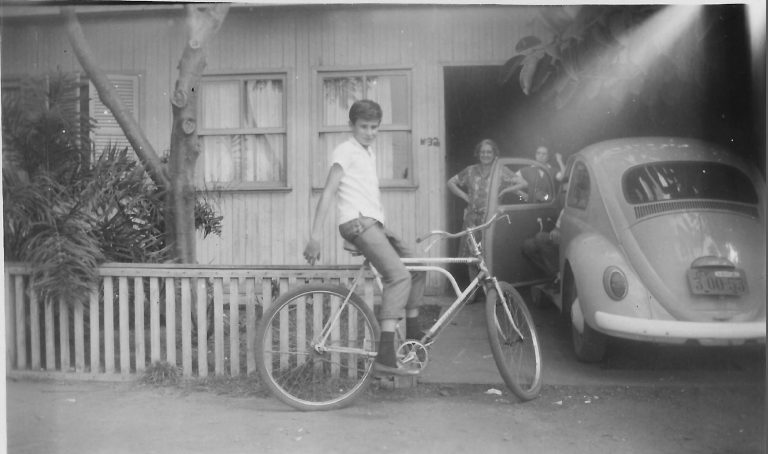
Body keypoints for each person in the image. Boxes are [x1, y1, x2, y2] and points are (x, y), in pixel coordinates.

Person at [303, 99, 425, 377]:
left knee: (417, 267)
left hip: (372, 224)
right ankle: (385, 355)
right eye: (363, 127)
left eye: (374, 127)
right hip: (358, 224)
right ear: (352, 126)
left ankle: (415, 341)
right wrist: (315, 236)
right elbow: (329, 191)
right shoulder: (346, 150)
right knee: (399, 276)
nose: (369, 132)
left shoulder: (367, 152)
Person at [447, 139, 525, 298]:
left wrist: (505, 191)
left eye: (489, 152)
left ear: (494, 154)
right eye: (483, 152)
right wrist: (465, 196)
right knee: (472, 255)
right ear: (478, 153)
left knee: (491, 253)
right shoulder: (470, 170)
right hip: (472, 218)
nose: (485, 155)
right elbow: (451, 183)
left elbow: (523, 182)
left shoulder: (500, 171)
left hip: (491, 219)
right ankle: (473, 291)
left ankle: (494, 292)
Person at [521, 209, 563, 284]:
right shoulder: (565, 210)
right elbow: (557, 228)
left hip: (571, 243)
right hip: (560, 240)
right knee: (528, 246)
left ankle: (557, 274)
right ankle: (555, 275)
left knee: (540, 237)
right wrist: (554, 232)